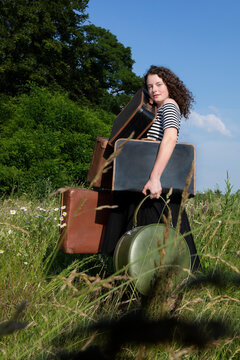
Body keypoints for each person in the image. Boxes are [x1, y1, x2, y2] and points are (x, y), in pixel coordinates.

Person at [101, 65, 201, 271]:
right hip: (142, 179)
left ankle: (152, 283)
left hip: (155, 180)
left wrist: (155, 177)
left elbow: (170, 138)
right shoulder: (154, 109)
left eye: (159, 84)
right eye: (150, 86)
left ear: (169, 85)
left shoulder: (169, 106)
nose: (154, 90)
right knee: (146, 236)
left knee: (154, 236)